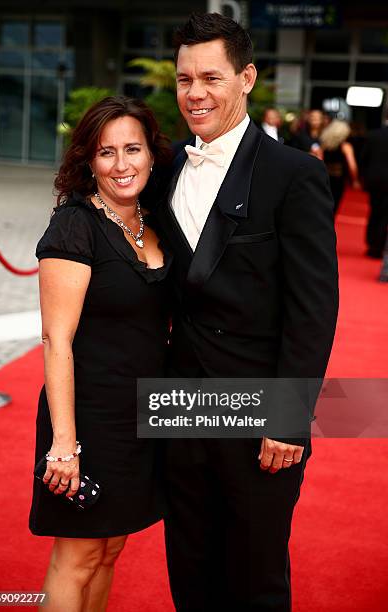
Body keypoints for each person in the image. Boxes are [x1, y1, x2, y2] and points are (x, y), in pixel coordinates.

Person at [155, 13, 339, 611]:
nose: (196, 93)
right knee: (190, 564)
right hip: (181, 407)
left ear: (247, 78)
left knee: (256, 574)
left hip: (258, 410)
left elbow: (313, 309)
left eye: (211, 77)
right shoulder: (166, 174)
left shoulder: (295, 175)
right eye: (185, 80)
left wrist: (288, 418)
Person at [29, 96, 171, 612]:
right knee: (78, 559)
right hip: (88, 420)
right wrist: (64, 443)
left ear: (152, 156)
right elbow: (56, 340)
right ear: (88, 161)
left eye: (132, 149)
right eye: (106, 152)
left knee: (110, 551)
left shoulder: (156, 225)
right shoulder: (75, 226)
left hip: (141, 419)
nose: (122, 164)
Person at [319, 119, 361, 214]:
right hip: (338, 179)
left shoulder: (324, 145)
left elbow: (319, 160)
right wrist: (355, 180)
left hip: (325, 178)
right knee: (334, 207)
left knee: (323, 205)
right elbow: (352, 165)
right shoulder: (345, 146)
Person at [361, 116, 388, 258]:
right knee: (384, 215)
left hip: (374, 180)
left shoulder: (373, 135)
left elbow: (364, 157)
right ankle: (379, 245)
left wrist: (364, 177)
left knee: (375, 211)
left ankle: (373, 244)